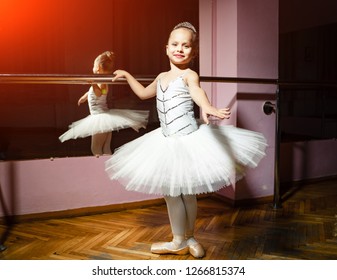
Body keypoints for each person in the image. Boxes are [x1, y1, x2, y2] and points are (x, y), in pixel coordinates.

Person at [105, 22, 267, 258]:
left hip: (187, 139)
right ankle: (184, 238)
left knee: (181, 192)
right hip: (165, 140)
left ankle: (182, 239)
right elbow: (142, 93)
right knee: (176, 191)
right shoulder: (161, 76)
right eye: (175, 44)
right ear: (166, 48)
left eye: (186, 45)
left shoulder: (190, 75)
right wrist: (127, 75)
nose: (180, 48)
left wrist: (208, 106)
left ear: (194, 51)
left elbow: (197, 93)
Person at [59, 51, 149, 156]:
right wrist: (84, 97)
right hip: (104, 117)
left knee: (95, 148)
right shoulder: (102, 80)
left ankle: (100, 169)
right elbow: (95, 93)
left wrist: (92, 83)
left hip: (99, 118)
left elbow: (98, 93)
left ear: (97, 68)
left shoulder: (101, 81)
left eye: (93, 65)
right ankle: (108, 168)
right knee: (106, 148)